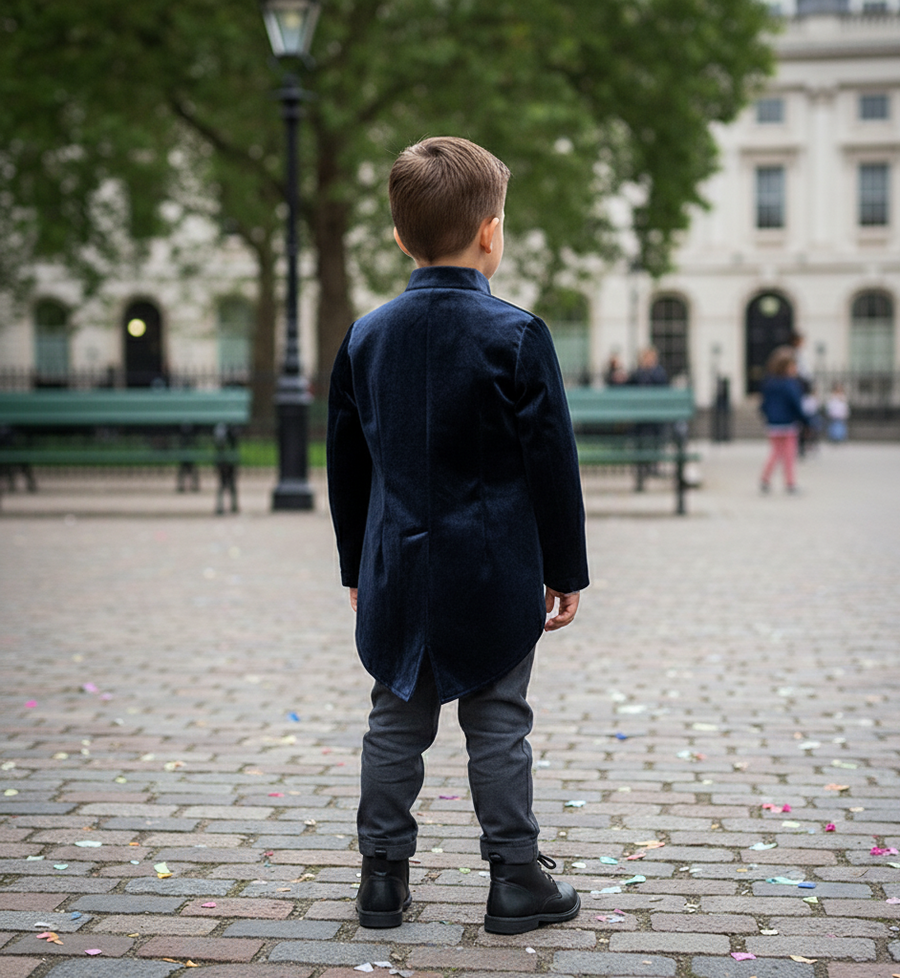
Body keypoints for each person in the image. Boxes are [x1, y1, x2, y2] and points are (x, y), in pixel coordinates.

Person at [326, 137, 589, 935]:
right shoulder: (515, 334)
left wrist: (355, 566)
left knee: (395, 717)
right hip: (494, 566)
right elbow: (553, 464)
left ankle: (381, 879)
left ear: (401, 237)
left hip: (396, 564)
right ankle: (515, 880)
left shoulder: (366, 336)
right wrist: (564, 568)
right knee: (499, 719)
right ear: (490, 233)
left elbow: (347, 465)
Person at [759, 345, 810, 494]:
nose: (796, 369)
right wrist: (806, 421)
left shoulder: (769, 383)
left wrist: (768, 418)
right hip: (788, 424)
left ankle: (765, 478)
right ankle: (790, 483)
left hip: (773, 425)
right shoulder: (791, 384)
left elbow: (763, 405)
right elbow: (797, 405)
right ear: (786, 367)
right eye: (794, 366)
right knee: (789, 455)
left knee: (775, 453)